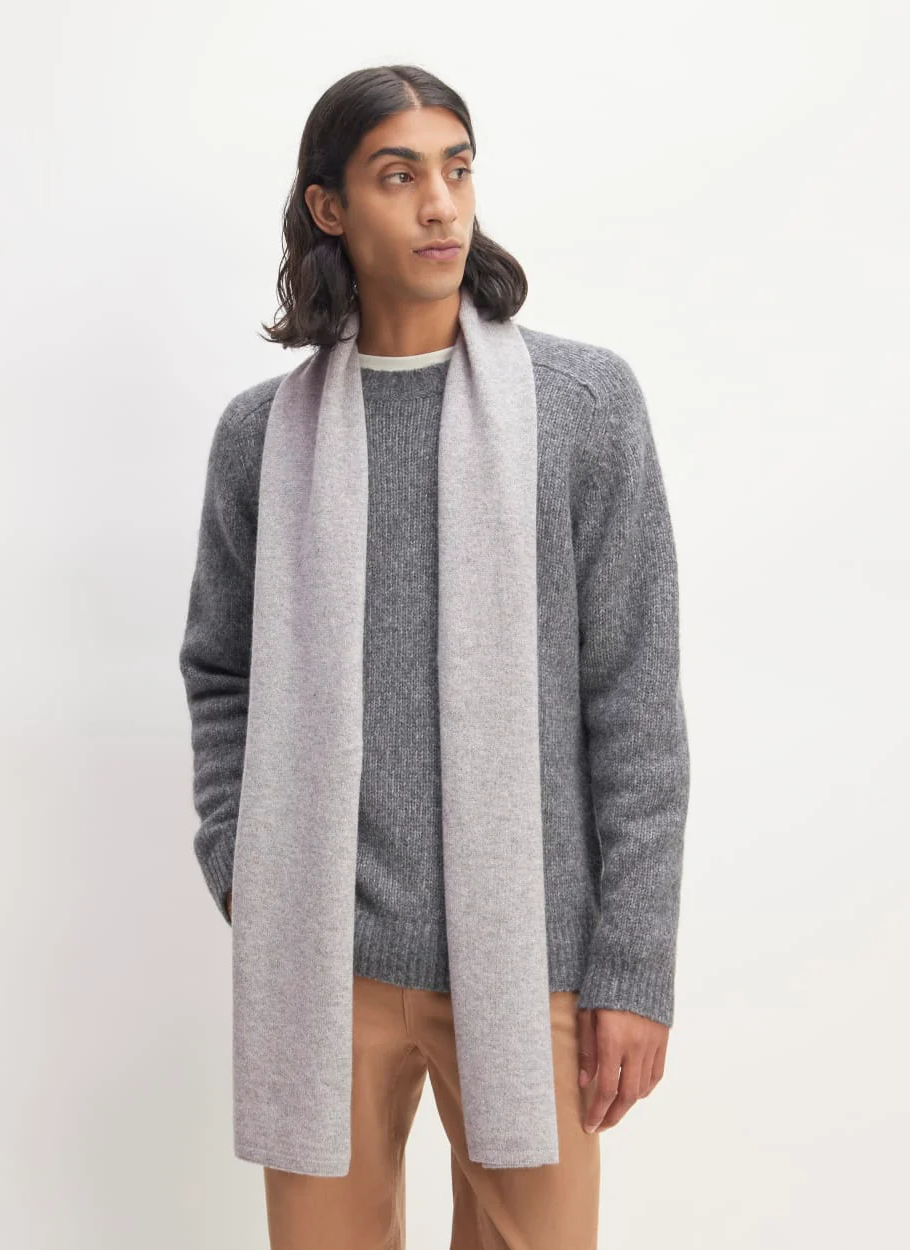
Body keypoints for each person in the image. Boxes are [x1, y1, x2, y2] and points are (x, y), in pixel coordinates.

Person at [178, 63, 690, 1250]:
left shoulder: (581, 403)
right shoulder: (262, 435)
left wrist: (632, 966)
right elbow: (220, 671)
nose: (440, 204)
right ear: (329, 207)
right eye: (398, 175)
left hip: (532, 959)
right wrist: (241, 864)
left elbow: (634, 699)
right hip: (320, 960)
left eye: (456, 169)